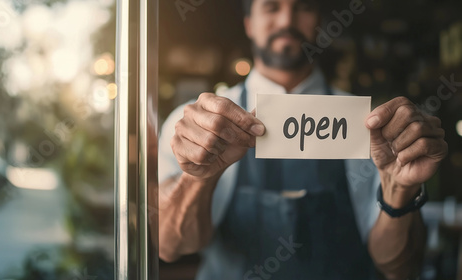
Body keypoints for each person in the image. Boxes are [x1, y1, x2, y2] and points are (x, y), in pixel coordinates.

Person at [158, 0, 448, 279]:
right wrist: (197, 178)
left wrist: (400, 189)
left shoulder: (370, 126)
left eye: (303, 7)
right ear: (249, 24)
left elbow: (399, 269)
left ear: (319, 23)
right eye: (272, 6)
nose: (287, 20)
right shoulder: (199, 125)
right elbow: (170, 246)